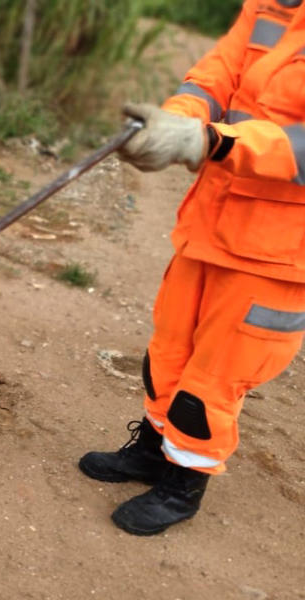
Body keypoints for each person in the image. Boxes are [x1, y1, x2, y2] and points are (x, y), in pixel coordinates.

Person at [79, 0, 305, 535]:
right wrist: (182, 117)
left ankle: (184, 485)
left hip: (279, 253)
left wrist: (209, 142)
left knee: (216, 377)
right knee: (170, 349)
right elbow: (218, 73)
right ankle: (155, 451)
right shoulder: (272, 6)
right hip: (211, 223)